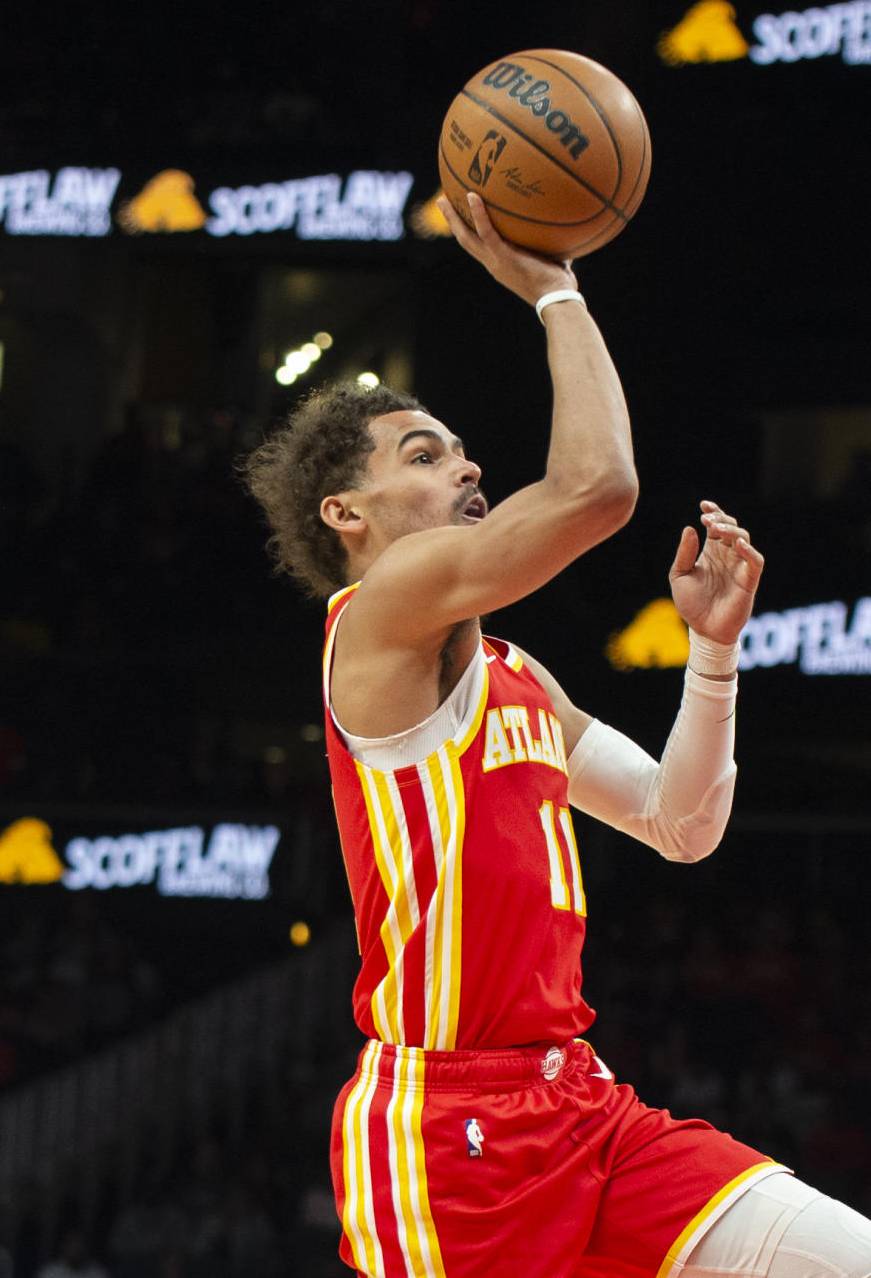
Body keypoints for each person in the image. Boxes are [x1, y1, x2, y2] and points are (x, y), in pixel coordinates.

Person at [244, 191, 871, 1277]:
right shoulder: (382, 612)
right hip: (445, 1133)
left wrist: (712, 655)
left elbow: (682, 826)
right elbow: (597, 487)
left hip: (580, 1104)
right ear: (348, 513)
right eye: (427, 455)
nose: (469, 467)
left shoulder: (520, 680)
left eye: (459, 451)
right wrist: (554, 288)